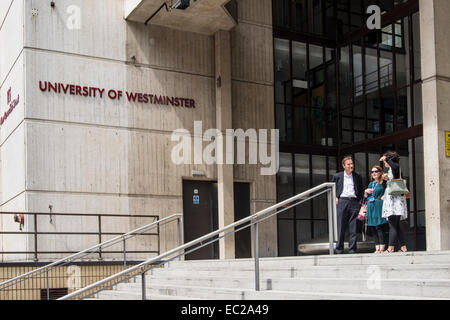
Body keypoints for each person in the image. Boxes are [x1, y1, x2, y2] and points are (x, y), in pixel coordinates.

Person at [332, 156, 364, 254]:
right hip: (342, 201)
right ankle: (339, 249)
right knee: (340, 226)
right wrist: (335, 197)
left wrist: (360, 203)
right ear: (344, 166)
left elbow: (361, 190)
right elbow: (332, 188)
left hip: (354, 202)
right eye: (349, 164)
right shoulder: (337, 176)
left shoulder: (357, 176)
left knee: (353, 227)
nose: (351, 166)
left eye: (352, 164)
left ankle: (352, 250)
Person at [380, 151, 408, 253]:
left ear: (390, 160)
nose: (385, 163)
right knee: (396, 225)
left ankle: (390, 247)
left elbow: (395, 167)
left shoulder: (395, 167)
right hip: (393, 200)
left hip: (394, 201)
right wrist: (385, 179)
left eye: (386, 161)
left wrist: (386, 158)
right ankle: (403, 247)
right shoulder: (392, 170)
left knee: (392, 224)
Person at [364, 165, 388, 253]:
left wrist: (384, 196)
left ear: (380, 172)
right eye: (372, 172)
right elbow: (366, 197)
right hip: (370, 205)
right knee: (373, 227)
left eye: (376, 171)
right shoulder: (371, 184)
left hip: (378, 205)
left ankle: (382, 247)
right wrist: (365, 192)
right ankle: (377, 247)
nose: (374, 173)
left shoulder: (383, 182)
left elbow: (389, 190)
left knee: (379, 226)